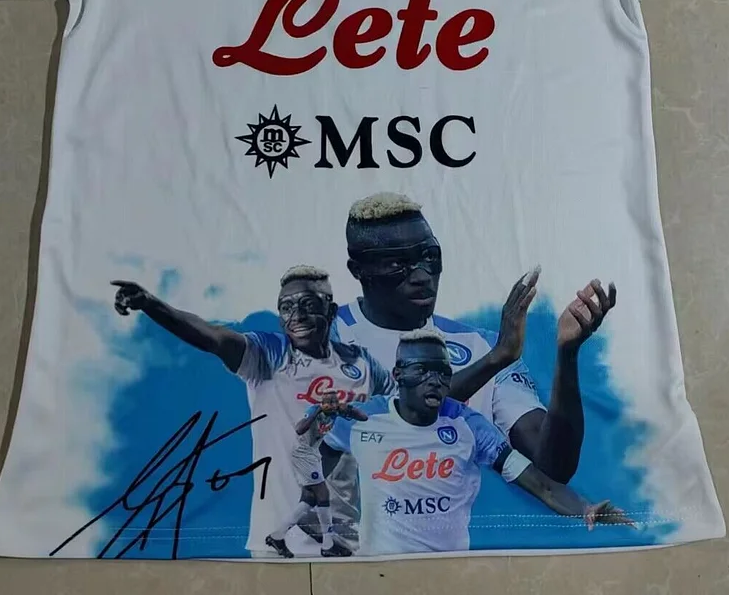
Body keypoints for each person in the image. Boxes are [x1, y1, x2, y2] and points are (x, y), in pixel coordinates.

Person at [334, 192, 617, 484]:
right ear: (358, 270)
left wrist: (567, 353)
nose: (422, 276)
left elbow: (552, 466)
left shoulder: (479, 345)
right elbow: (383, 433)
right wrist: (495, 359)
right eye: (397, 264)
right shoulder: (323, 339)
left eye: (429, 257)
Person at [112, 264, 392, 557]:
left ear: (331, 310)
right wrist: (151, 304)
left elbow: (398, 408)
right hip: (279, 552)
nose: (297, 316)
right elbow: (214, 337)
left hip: (349, 542)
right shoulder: (269, 354)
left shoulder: (360, 363)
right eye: (287, 308)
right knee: (314, 495)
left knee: (315, 497)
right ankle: (283, 535)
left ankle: (302, 537)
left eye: (308, 305)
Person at [319, 331, 632, 556]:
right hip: (381, 572)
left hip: (452, 571)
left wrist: (585, 509)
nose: (435, 381)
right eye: (423, 370)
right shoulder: (362, 418)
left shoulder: (469, 424)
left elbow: (541, 485)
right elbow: (318, 454)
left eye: (443, 373)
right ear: (398, 374)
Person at [264, 391, 369, 559]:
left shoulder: (336, 412)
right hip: (302, 454)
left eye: (333, 402)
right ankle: (328, 544)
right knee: (323, 493)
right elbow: (299, 429)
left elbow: (364, 418)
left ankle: (277, 536)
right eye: (327, 402)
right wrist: (317, 412)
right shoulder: (314, 410)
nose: (331, 405)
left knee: (309, 498)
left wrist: (349, 409)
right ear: (321, 403)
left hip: (313, 454)